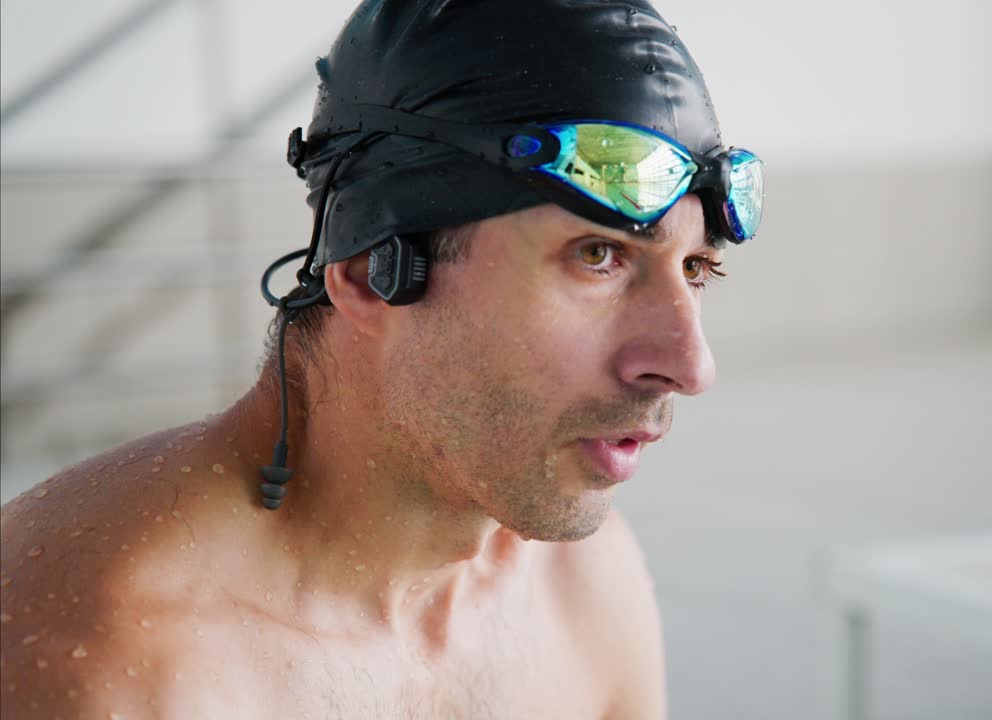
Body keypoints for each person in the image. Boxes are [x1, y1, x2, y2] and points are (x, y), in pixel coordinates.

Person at [0, 0, 763, 716]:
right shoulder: (113, 657)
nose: (690, 365)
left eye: (696, 269)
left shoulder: (585, 583)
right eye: (597, 256)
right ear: (373, 271)